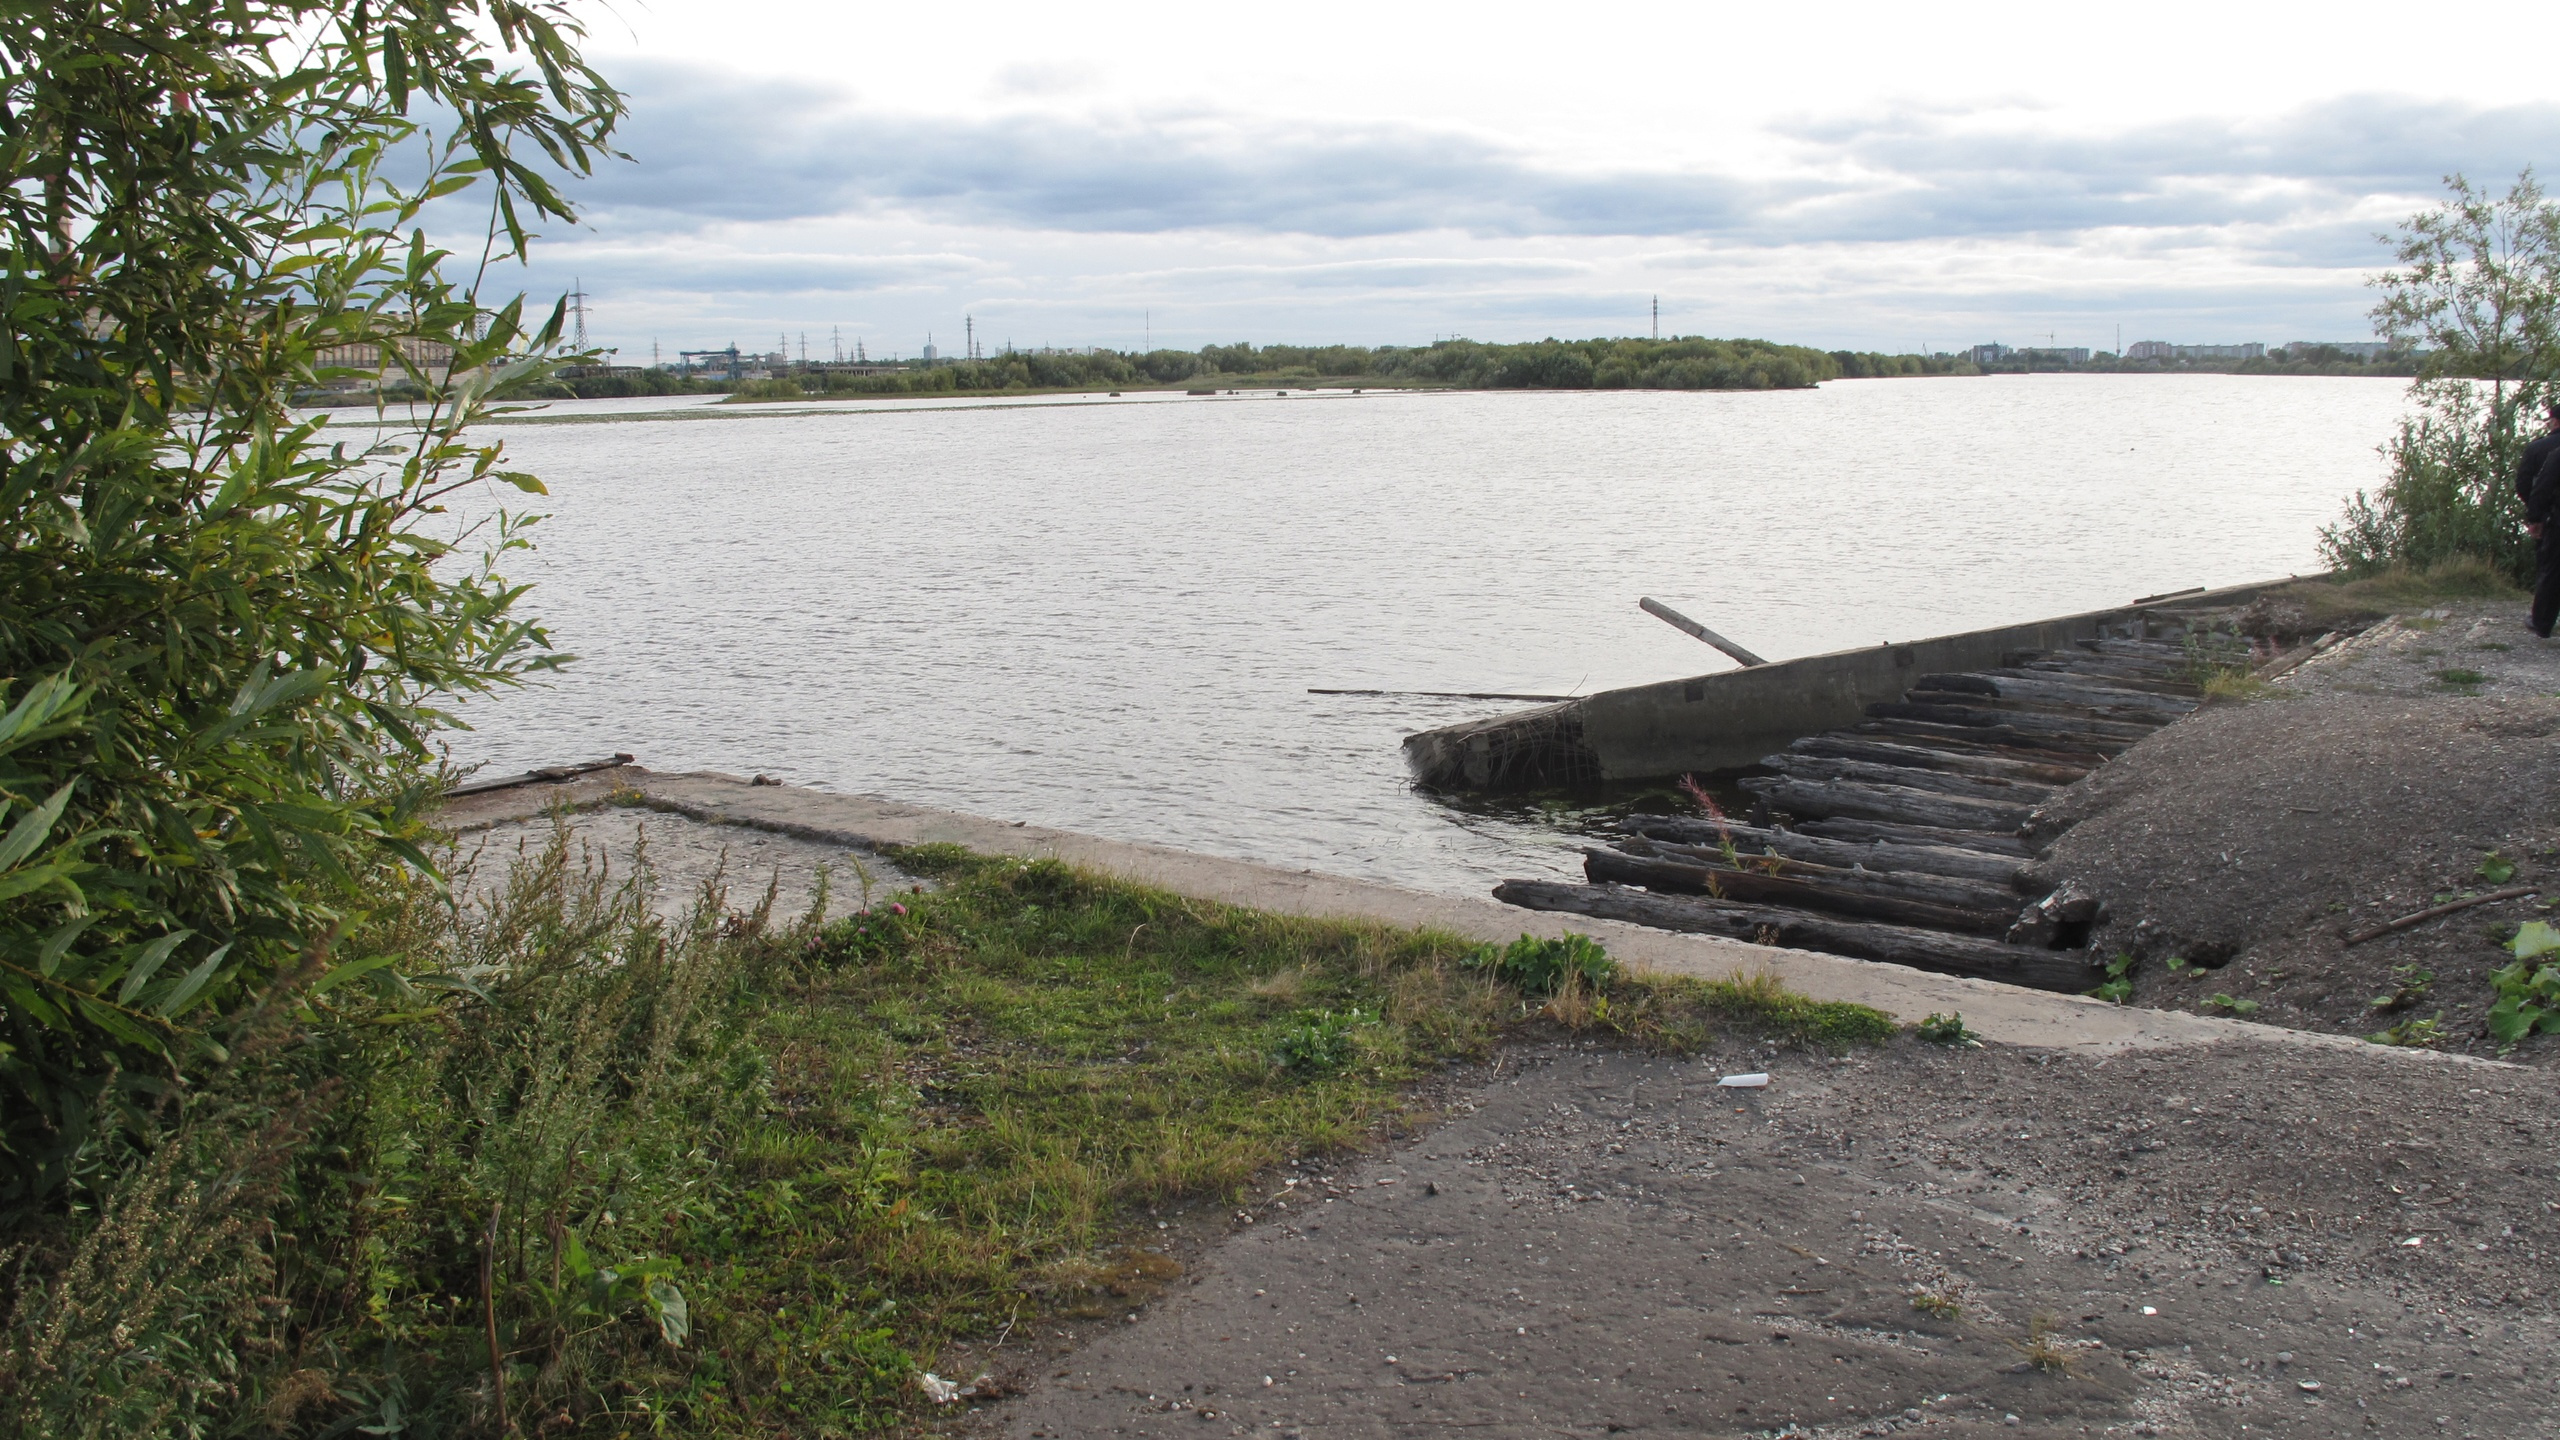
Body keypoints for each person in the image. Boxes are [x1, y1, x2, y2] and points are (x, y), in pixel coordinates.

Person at [2528, 398, 2560, 638]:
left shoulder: (2555, 454)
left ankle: (2542, 622)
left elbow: (2541, 488)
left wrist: (2535, 518)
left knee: (2552, 572)